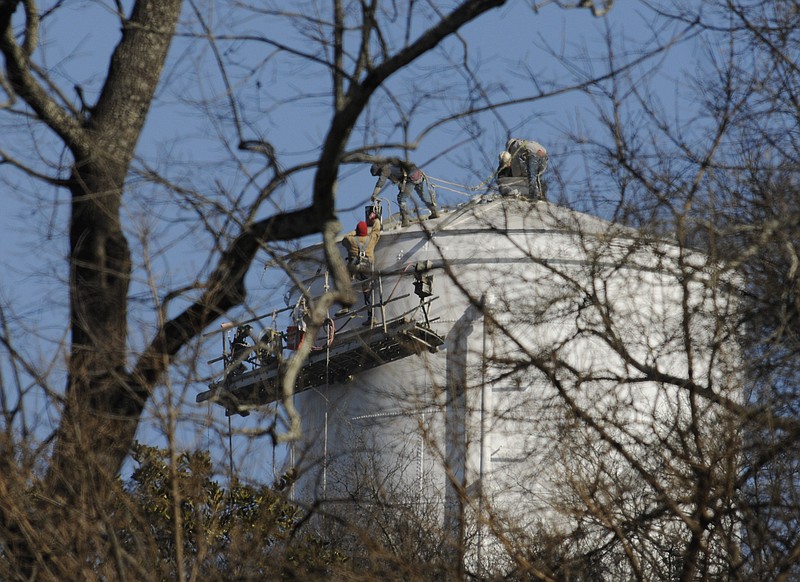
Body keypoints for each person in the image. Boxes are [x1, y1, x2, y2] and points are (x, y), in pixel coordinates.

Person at [340, 215, 382, 325]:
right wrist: (375, 219)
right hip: (366, 267)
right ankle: (371, 316)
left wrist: (355, 231)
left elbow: (344, 239)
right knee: (367, 290)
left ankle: (345, 306)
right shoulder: (371, 239)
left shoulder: (351, 240)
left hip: (353, 266)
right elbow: (377, 230)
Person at [370, 162, 439, 227]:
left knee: (401, 198)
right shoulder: (391, 164)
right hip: (418, 174)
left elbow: (380, 183)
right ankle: (434, 211)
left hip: (411, 177)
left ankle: (405, 219)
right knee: (424, 196)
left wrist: (374, 195)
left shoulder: (385, 170)